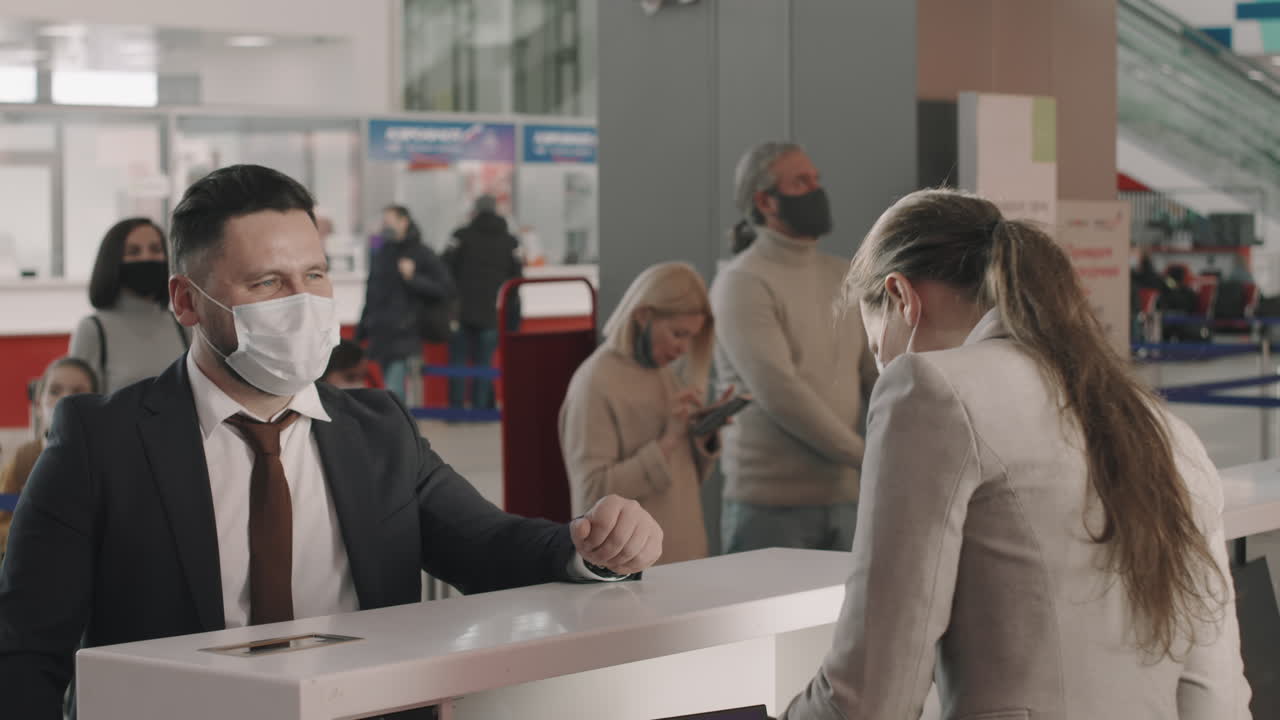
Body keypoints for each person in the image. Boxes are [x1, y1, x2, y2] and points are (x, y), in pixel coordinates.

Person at [0, 164, 664, 720]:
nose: (304, 303)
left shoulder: (377, 432)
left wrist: (592, 546)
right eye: (267, 283)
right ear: (186, 300)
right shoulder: (100, 444)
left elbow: (488, 545)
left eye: (315, 276)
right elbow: (26, 650)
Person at [782, 189, 1249, 720]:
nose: (884, 370)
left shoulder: (929, 389)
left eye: (876, 351)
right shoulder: (1163, 428)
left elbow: (872, 696)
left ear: (902, 297)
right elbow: (1217, 696)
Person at [709, 142, 877, 554]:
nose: (816, 190)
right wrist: (866, 457)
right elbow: (778, 391)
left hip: (845, 497)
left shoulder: (842, 274)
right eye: (801, 181)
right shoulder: (743, 281)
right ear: (765, 200)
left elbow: (874, 372)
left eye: (816, 179)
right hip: (770, 507)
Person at [560, 263, 726, 565]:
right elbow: (592, 494)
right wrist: (668, 440)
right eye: (678, 334)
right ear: (643, 315)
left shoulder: (663, 373)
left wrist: (704, 430)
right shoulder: (595, 383)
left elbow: (682, 479)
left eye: (691, 338)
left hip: (685, 557)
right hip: (632, 569)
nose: (683, 349)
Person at [68, 218, 190, 393]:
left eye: (155, 249)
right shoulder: (93, 329)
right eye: (133, 251)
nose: (146, 257)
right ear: (113, 261)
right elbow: (78, 407)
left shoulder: (182, 325)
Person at [358, 205, 455, 406]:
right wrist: (363, 328)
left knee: (394, 391)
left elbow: (444, 289)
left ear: (404, 222)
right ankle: (395, 430)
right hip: (380, 332)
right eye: (384, 222)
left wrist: (413, 278)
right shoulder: (381, 253)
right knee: (386, 389)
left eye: (389, 221)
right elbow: (372, 293)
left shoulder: (422, 253)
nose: (385, 226)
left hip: (405, 333)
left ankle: (398, 432)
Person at [0, 357, 98, 554]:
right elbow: (4, 512)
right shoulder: (24, 458)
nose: (65, 399)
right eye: (55, 391)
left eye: (78, 391)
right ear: (38, 404)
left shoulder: (104, 459)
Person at [443, 194, 523, 410]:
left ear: (475, 211)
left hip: (461, 311)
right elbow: (517, 277)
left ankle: (456, 410)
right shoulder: (510, 241)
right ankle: (480, 410)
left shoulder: (460, 236)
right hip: (492, 312)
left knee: (458, 361)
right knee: (484, 362)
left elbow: (444, 267)